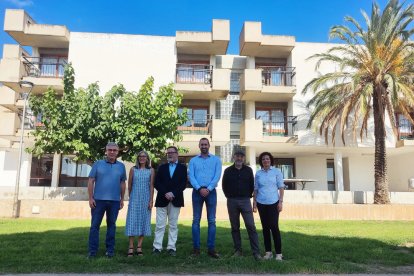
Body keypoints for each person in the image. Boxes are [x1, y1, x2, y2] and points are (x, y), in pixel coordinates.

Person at [87, 142, 126, 258]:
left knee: (112, 226)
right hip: (98, 200)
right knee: (94, 226)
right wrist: (90, 198)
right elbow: (91, 181)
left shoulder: (121, 166)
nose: (112, 152)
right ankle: (92, 252)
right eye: (110, 150)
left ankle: (110, 251)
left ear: (117, 152)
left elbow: (122, 183)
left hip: (114, 201)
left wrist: (122, 199)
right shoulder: (98, 164)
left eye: (114, 150)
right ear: (106, 151)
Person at [222, 150, 262, 261]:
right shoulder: (228, 171)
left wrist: (248, 197)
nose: (239, 158)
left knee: (251, 226)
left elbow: (252, 185)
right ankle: (238, 251)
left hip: (245, 201)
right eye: (237, 156)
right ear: (234, 157)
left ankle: (256, 252)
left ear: (244, 158)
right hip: (232, 201)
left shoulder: (248, 170)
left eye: (241, 156)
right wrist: (229, 196)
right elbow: (224, 185)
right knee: (235, 227)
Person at [188, 137, 222, 258]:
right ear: (199, 146)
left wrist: (208, 188)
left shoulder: (216, 160)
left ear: (209, 145)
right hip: (197, 192)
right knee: (196, 220)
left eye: (205, 144)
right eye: (201, 144)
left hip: (211, 192)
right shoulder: (193, 161)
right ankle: (196, 249)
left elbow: (217, 175)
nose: (203, 146)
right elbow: (191, 176)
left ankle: (211, 249)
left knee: (212, 221)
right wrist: (199, 188)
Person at [152, 146, 187, 256]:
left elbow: (183, 183)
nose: (170, 154)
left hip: (176, 200)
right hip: (162, 199)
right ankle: (157, 247)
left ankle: (171, 248)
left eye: (172, 152)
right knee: (160, 225)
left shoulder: (182, 168)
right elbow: (157, 183)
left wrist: (173, 193)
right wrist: (165, 193)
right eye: (168, 153)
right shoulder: (162, 167)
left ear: (177, 154)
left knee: (173, 225)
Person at [254, 152, 285, 261]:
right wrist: (255, 203)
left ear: (270, 160)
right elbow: (256, 189)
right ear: (261, 161)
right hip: (261, 203)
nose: (265, 161)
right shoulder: (258, 174)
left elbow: (281, 187)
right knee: (265, 228)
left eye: (267, 159)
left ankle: (279, 254)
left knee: (274, 227)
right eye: (263, 159)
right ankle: (268, 253)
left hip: (273, 203)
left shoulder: (277, 172)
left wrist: (280, 202)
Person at [125, 151, 154, 257]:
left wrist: (151, 200)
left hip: (146, 198)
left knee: (144, 221)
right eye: (140, 156)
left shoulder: (151, 170)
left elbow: (151, 186)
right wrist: (131, 197)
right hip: (134, 198)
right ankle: (131, 246)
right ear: (138, 158)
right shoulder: (133, 169)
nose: (142, 158)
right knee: (132, 221)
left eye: (144, 156)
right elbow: (130, 184)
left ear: (147, 158)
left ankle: (139, 247)